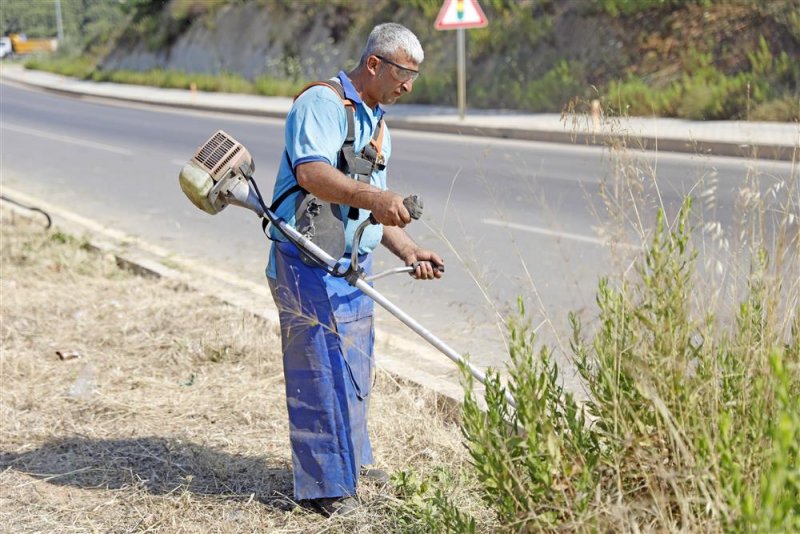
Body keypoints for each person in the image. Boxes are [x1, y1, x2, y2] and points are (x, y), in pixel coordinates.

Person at [266, 22, 444, 516]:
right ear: (374, 64)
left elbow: (371, 210)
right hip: (305, 263)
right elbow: (313, 173)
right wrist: (377, 197)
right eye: (404, 74)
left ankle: (351, 463)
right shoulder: (320, 105)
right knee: (319, 371)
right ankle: (327, 489)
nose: (408, 86)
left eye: (414, 77)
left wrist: (409, 250)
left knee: (353, 370)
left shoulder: (377, 122)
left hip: (349, 267)